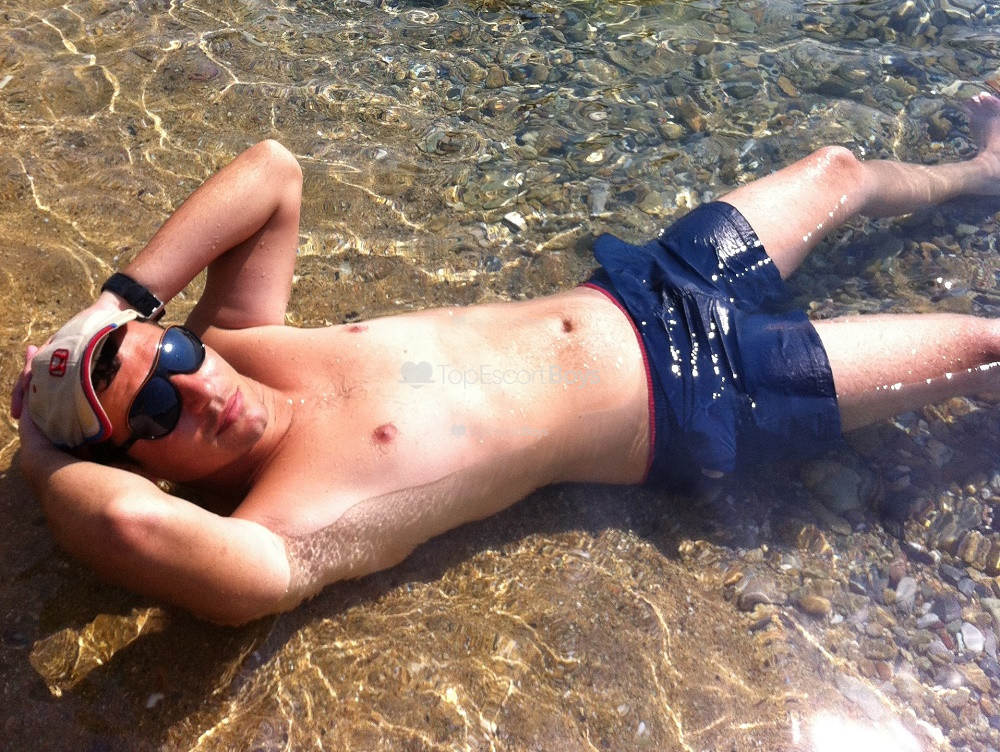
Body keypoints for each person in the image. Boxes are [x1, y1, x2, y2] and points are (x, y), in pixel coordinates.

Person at [11, 92, 1000, 625]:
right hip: (704, 391)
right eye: (153, 414)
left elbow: (273, 172)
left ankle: (982, 171)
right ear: (135, 464)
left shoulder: (239, 340)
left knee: (835, 171)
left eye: (172, 354)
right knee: (979, 346)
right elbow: (131, 527)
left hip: (650, 284)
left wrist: (117, 303)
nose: (193, 387)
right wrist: (41, 453)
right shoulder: (288, 523)